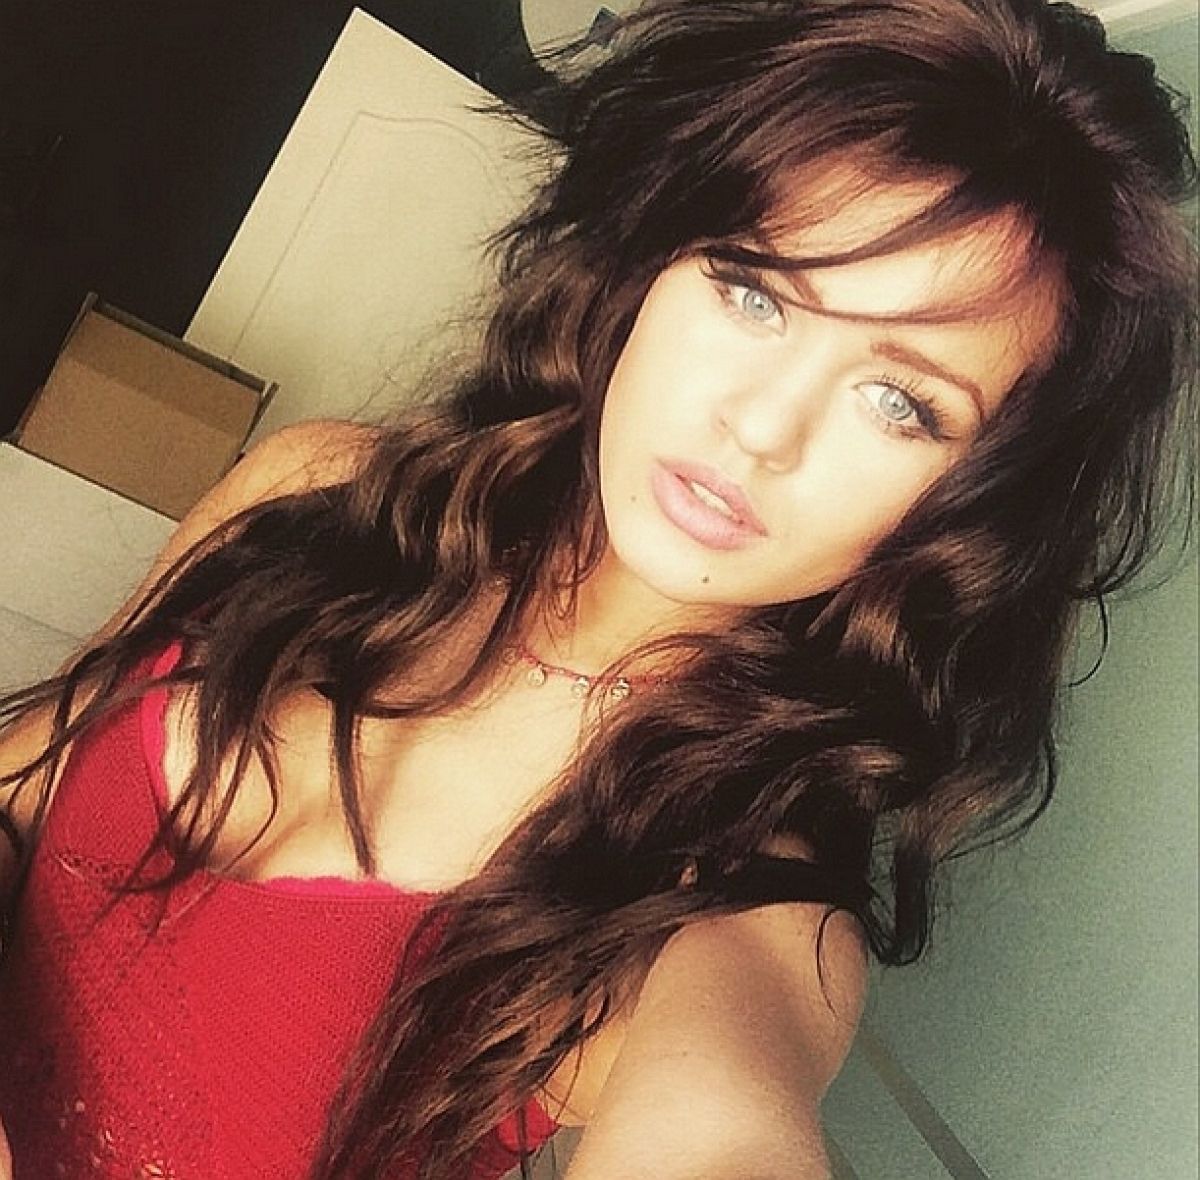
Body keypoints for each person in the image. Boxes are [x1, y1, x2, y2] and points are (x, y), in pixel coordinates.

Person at [0, 0, 1195, 1177]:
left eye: (901, 402)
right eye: (754, 291)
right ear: (651, 258)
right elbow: (25, 776)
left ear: (973, 498)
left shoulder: (732, 899)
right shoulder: (319, 488)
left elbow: (722, 1127)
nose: (761, 427)